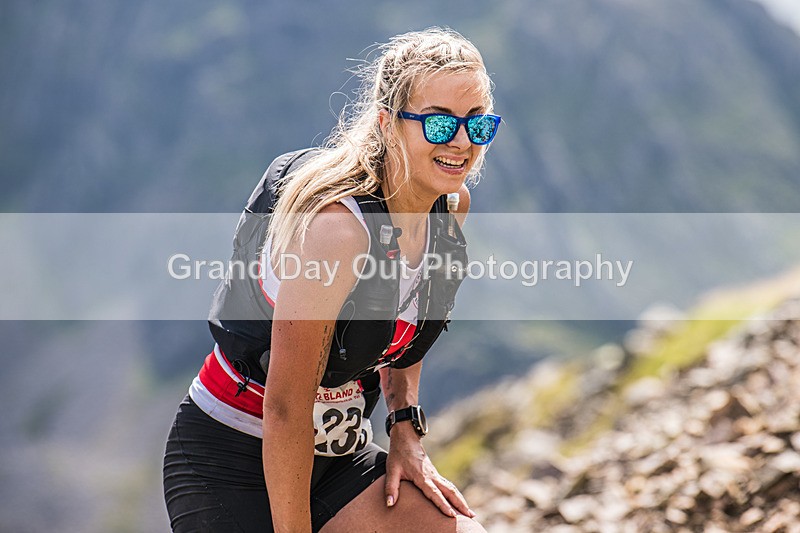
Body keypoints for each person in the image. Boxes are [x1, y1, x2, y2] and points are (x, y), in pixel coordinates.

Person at [163, 27, 500, 533]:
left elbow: (406, 327)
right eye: (437, 124)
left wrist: (405, 429)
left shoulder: (450, 208)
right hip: (231, 457)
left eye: (478, 125)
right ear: (388, 124)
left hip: (336, 456)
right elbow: (284, 406)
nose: (459, 143)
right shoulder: (338, 231)